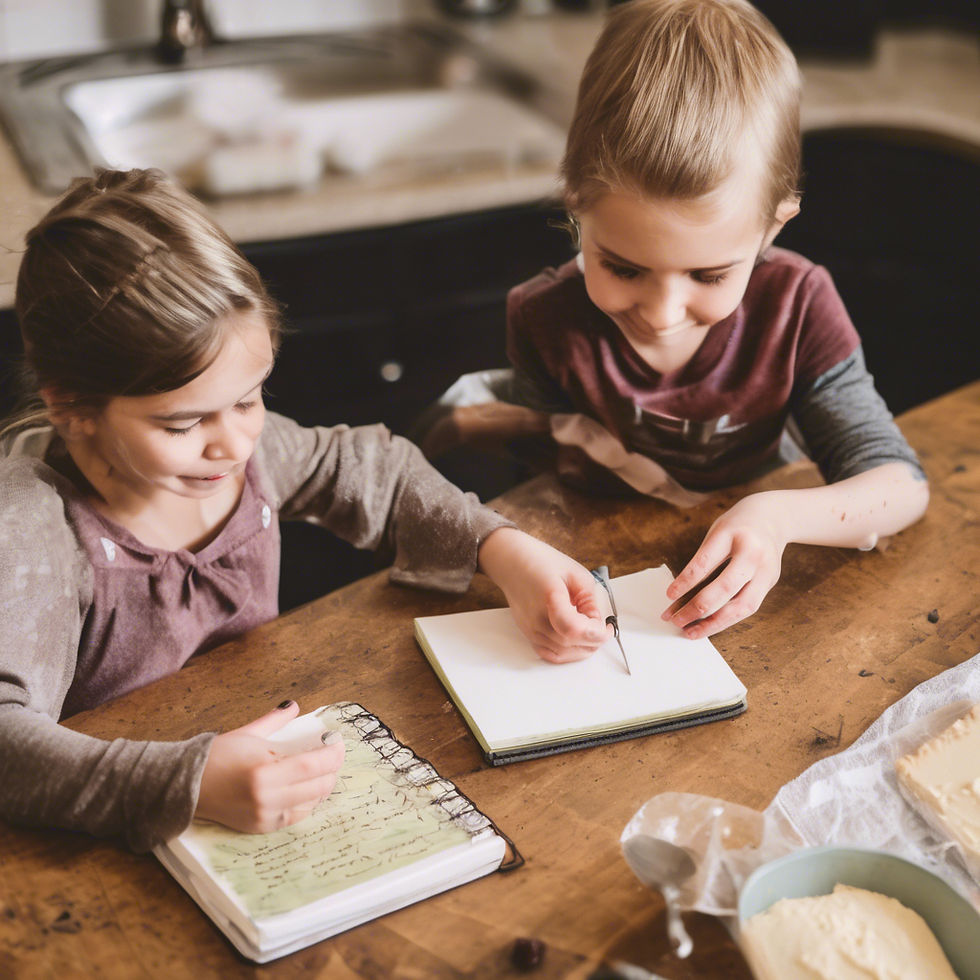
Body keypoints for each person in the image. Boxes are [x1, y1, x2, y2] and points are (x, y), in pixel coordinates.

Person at [0, 167, 610, 852]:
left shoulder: (246, 453)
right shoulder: (30, 529)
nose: (233, 443)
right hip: (107, 835)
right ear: (71, 409)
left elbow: (373, 467)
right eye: (181, 425)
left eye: (249, 397)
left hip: (269, 782)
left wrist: (502, 549)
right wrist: (187, 782)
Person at [417, 0, 928, 640]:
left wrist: (774, 519)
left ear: (774, 223)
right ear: (577, 207)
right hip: (615, 593)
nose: (662, 314)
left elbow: (901, 484)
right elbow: (540, 483)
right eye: (623, 268)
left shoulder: (797, 305)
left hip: (755, 598)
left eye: (710, 276)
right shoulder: (541, 316)